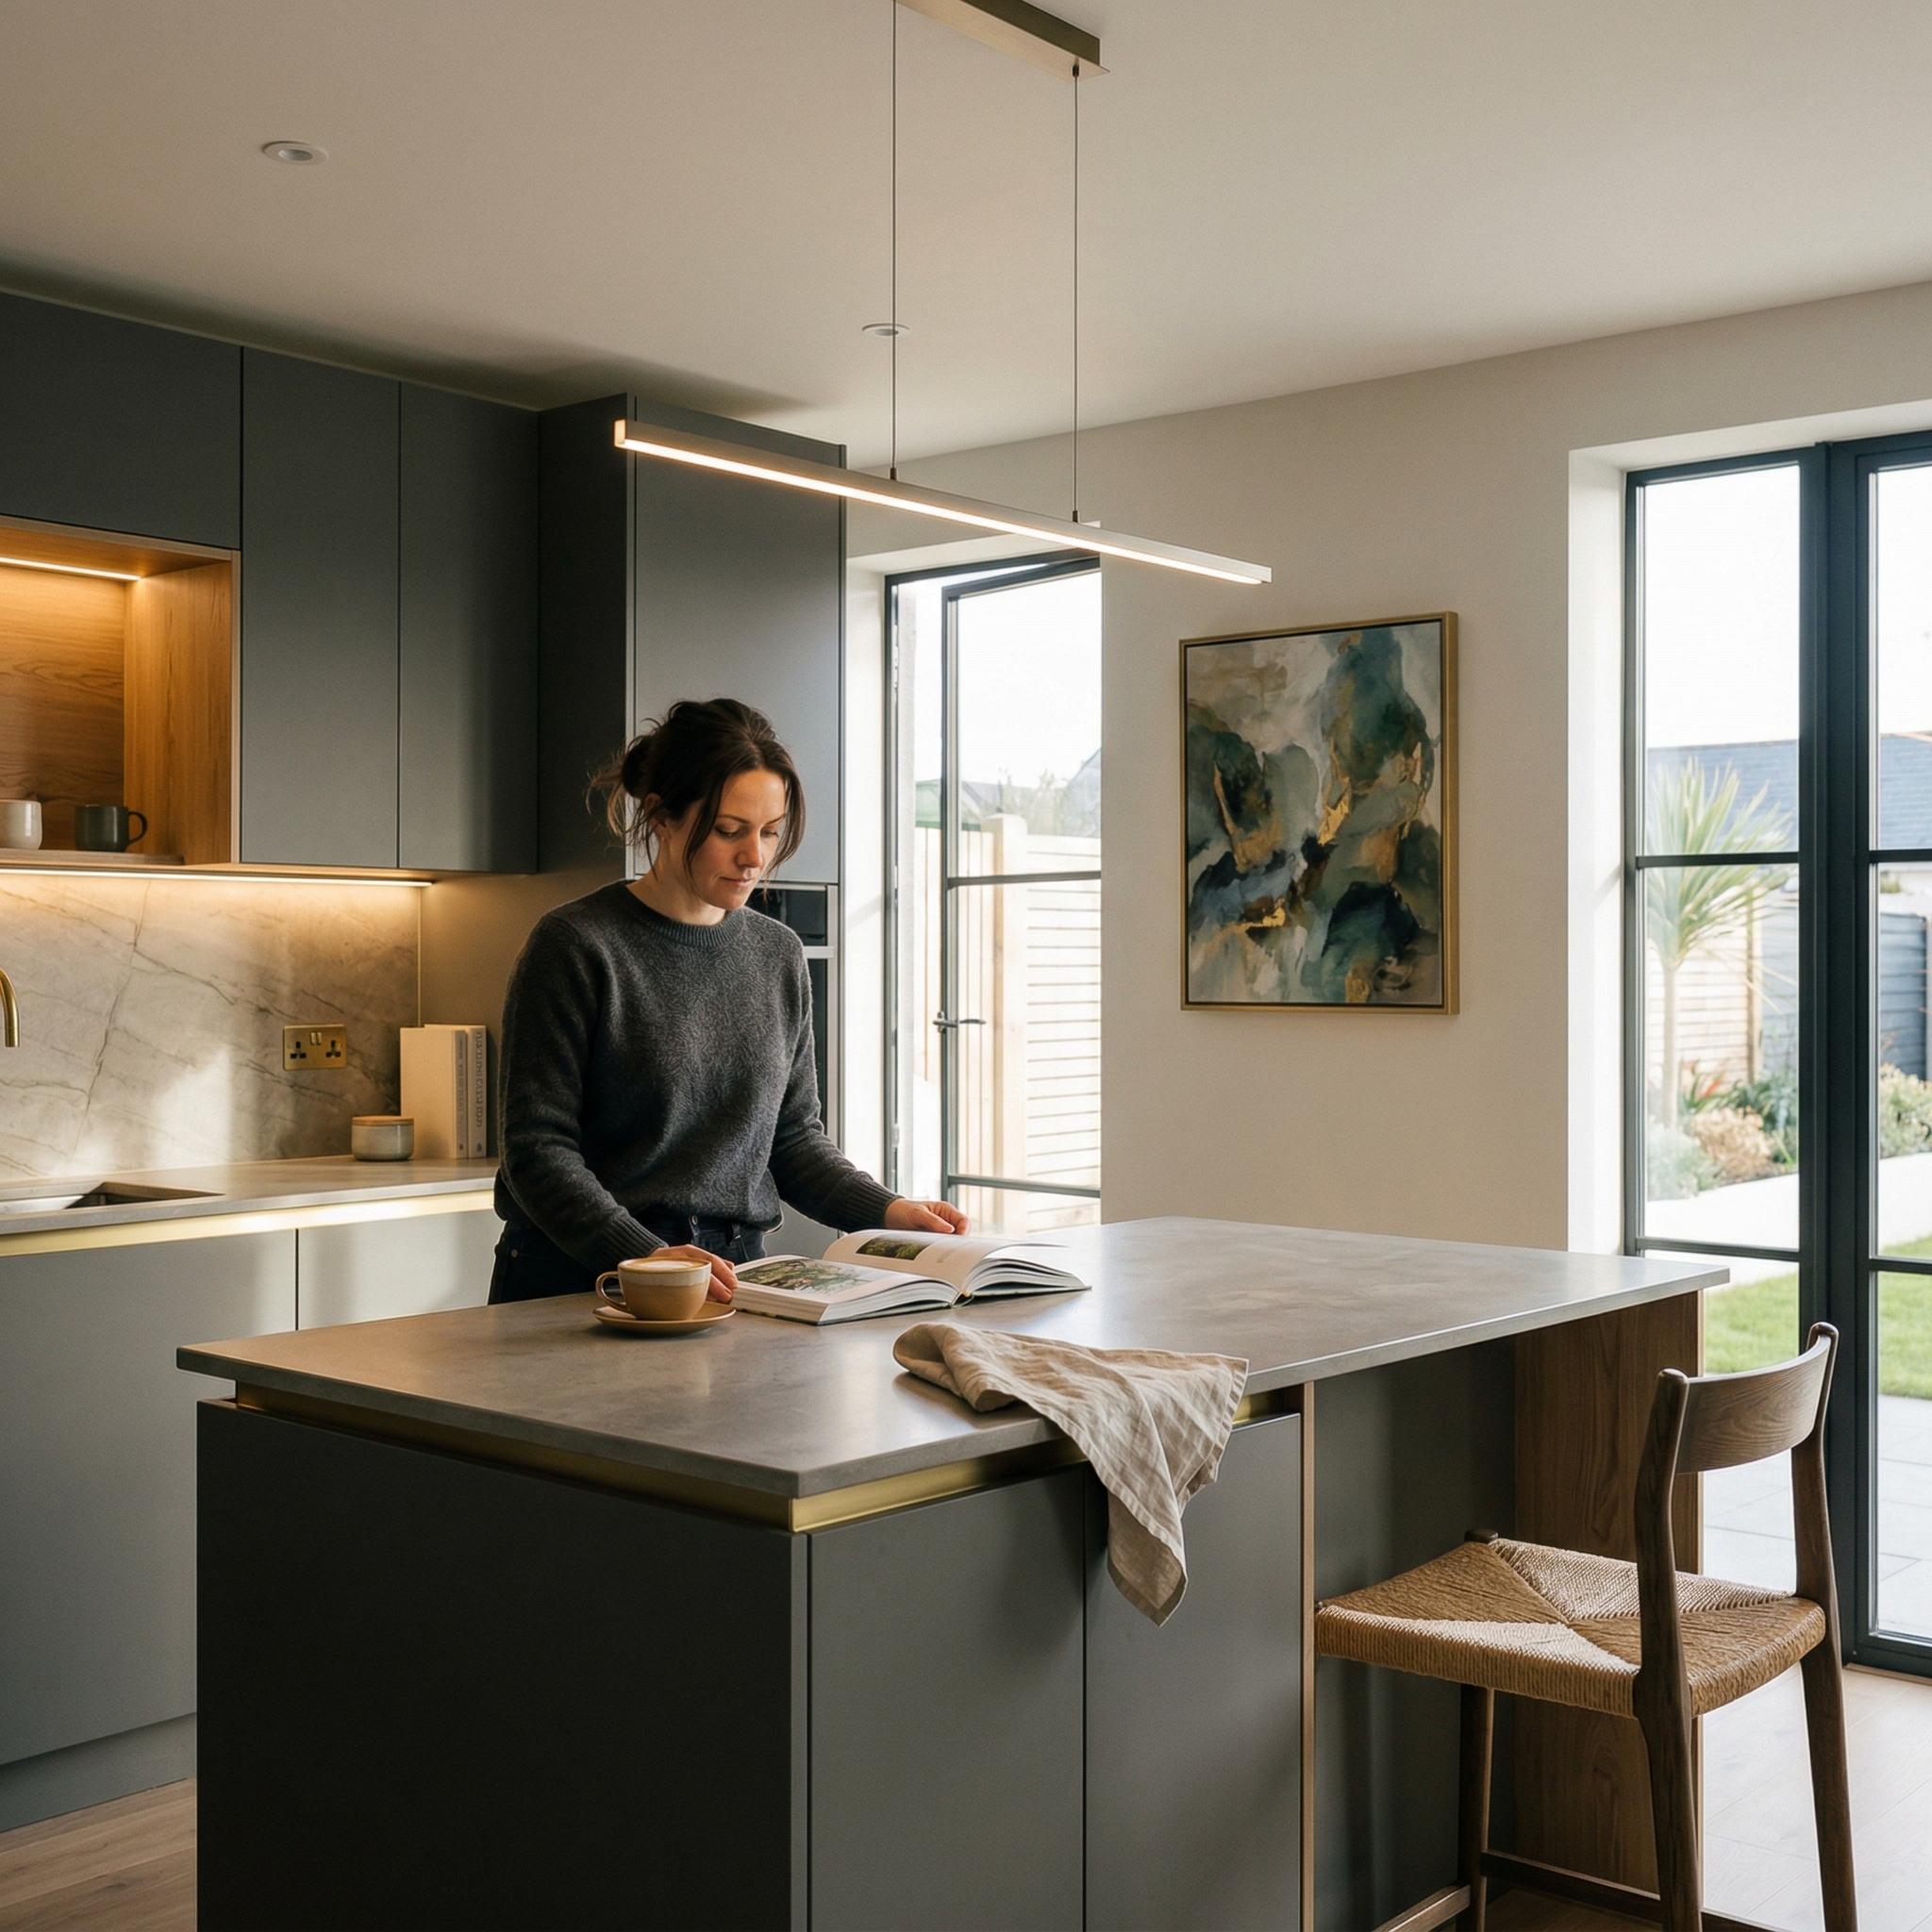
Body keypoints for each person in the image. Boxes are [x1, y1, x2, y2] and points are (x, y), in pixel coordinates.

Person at [490, 697, 964, 1305]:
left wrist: (888, 1209)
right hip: (582, 1276)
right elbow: (537, 1150)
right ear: (660, 817)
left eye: (770, 831)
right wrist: (645, 1256)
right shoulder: (577, 946)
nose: (755, 857)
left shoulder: (778, 955)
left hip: (735, 1277)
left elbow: (792, 1140)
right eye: (728, 831)